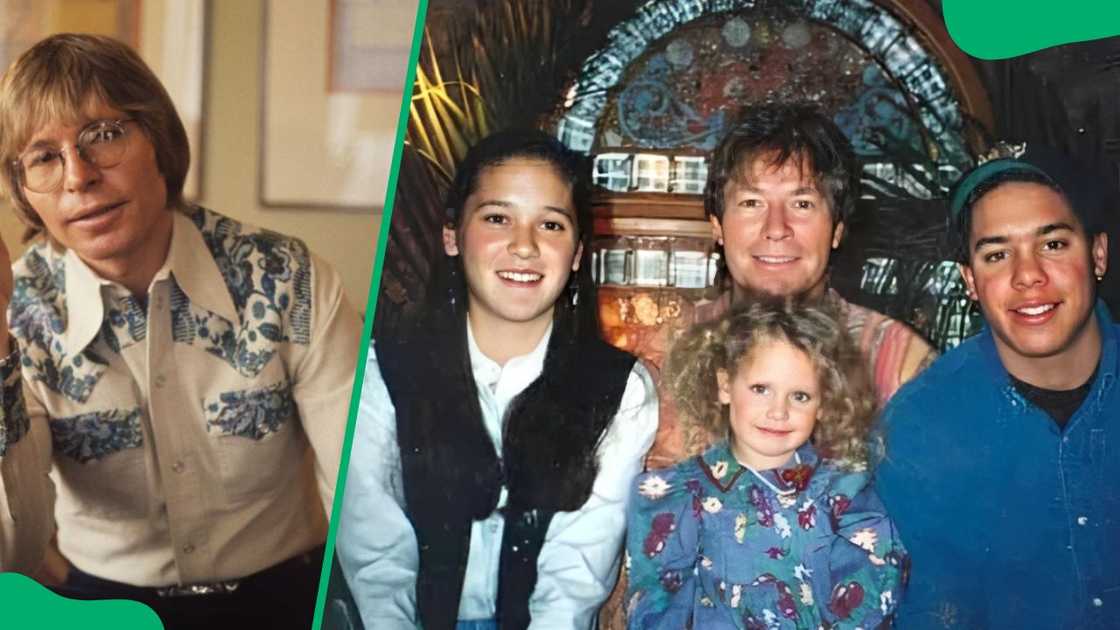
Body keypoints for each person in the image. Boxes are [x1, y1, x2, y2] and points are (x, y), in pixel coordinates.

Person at [0, 34, 361, 629]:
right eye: (44, 157)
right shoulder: (20, 311)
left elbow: (359, 496)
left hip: (285, 598)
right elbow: (11, 550)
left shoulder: (288, 279)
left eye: (105, 135)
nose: (78, 177)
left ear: (160, 143)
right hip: (103, 608)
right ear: (24, 192)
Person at [336, 129, 659, 630]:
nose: (525, 246)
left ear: (576, 254)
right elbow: (376, 555)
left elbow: (577, 572)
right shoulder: (383, 371)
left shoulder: (622, 389)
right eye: (497, 218)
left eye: (551, 225)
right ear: (452, 235)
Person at [875, 146, 1119, 628]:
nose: (1027, 275)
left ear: (1097, 254)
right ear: (969, 281)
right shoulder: (919, 430)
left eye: (1052, 244)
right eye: (997, 254)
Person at [641, 103, 935, 470]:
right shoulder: (665, 354)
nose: (776, 228)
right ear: (717, 225)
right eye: (751, 202)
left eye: (802, 203)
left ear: (837, 229)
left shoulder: (898, 364)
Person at [626, 299, 907, 628]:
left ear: (823, 403)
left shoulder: (842, 493)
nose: (778, 411)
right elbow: (658, 606)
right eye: (761, 389)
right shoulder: (682, 495)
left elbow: (875, 584)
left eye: (799, 396)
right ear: (725, 386)